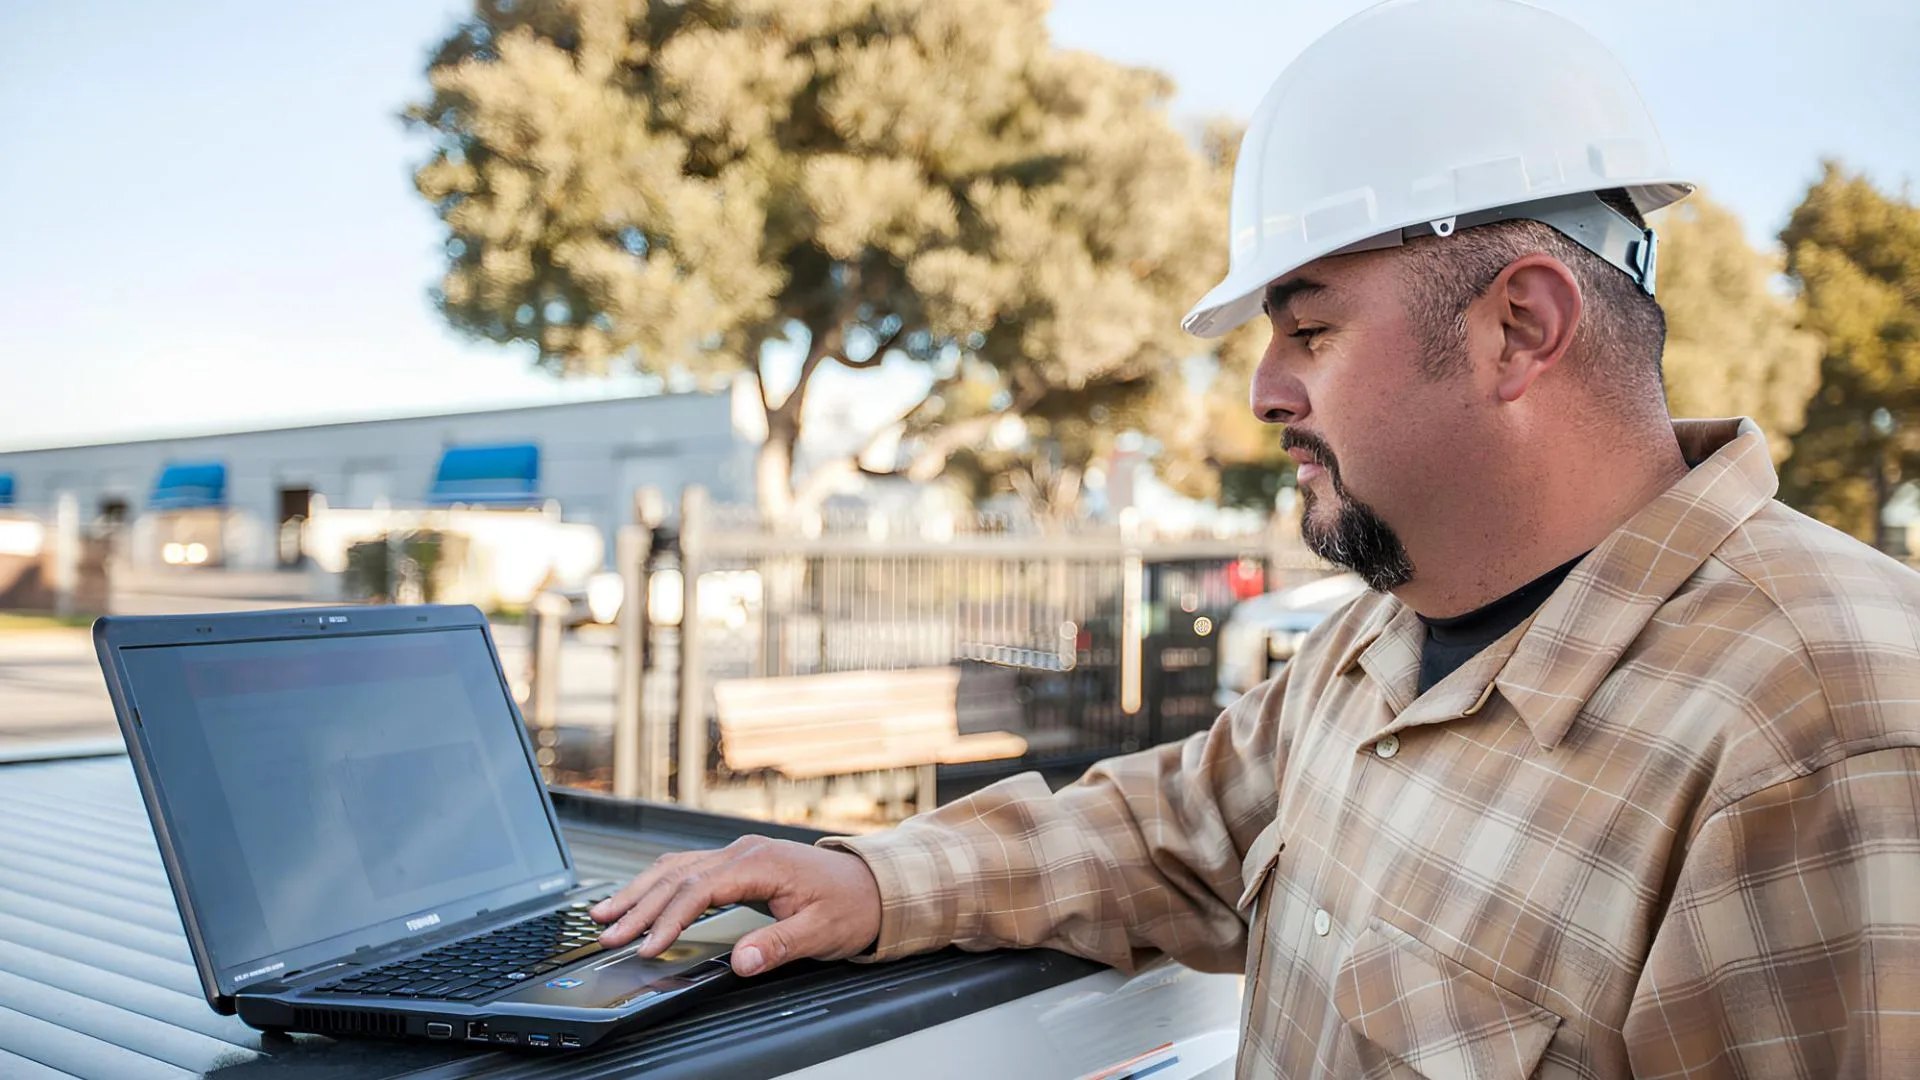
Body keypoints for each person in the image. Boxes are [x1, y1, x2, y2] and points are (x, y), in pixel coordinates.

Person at [591, 1, 1920, 1075]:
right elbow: (1177, 829)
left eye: (1311, 326)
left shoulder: (1826, 735)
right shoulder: (1384, 638)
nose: (1260, 390)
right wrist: (879, 881)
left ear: (1522, 324)